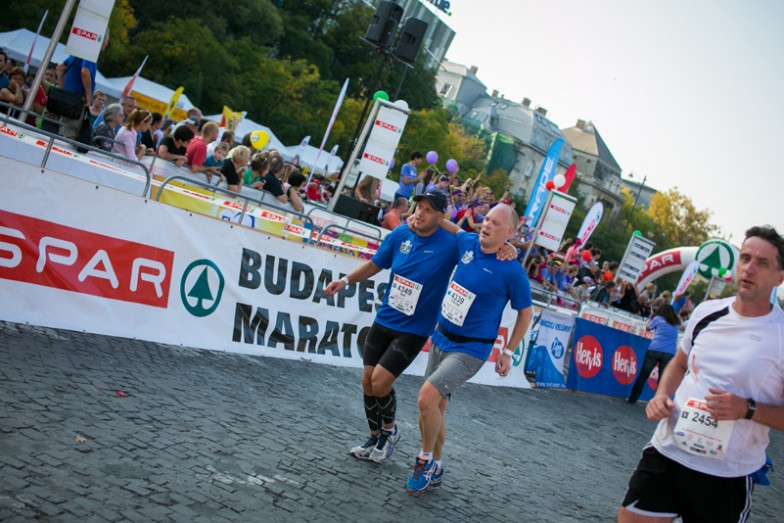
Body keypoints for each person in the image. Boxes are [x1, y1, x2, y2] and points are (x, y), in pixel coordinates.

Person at [323, 190, 516, 465]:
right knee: (367, 381)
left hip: (415, 329)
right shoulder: (400, 234)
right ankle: (374, 437)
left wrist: (508, 247)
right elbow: (375, 264)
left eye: (428, 210)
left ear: (441, 216)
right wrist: (344, 281)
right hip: (386, 318)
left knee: (380, 381)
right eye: (418, 207)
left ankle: (389, 434)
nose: (420, 213)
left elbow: (481, 247)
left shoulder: (451, 244)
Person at [617, 225, 784, 523]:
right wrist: (661, 395)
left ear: (779, 277)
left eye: (762, 263)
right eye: (745, 258)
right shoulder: (707, 311)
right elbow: (679, 364)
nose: (749, 268)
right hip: (668, 451)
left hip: (726, 474)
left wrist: (747, 409)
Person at [405, 204, 533, 494]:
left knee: (426, 399)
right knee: (435, 407)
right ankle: (437, 464)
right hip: (441, 337)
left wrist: (508, 352)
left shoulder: (512, 272)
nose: (486, 224)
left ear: (508, 233)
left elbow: (526, 313)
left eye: (495, 223)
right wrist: (423, 215)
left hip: (471, 350)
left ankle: (424, 460)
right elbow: (448, 225)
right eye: (486, 219)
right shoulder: (468, 242)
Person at [626, 304, 681, 405]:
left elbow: (647, 328)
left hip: (655, 349)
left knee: (643, 375)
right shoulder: (675, 323)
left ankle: (633, 398)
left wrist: (651, 317)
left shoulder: (658, 319)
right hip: (669, 353)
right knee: (662, 380)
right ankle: (656, 404)